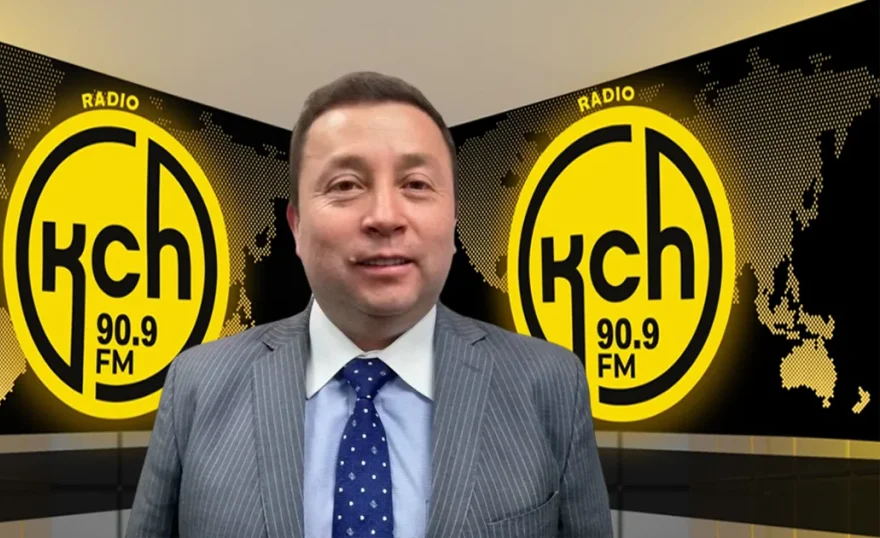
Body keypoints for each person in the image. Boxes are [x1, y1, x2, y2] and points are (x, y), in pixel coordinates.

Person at [126, 71, 613, 538]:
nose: (384, 216)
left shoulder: (549, 385)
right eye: (346, 185)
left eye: (416, 184)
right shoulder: (197, 384)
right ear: (296, 225)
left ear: (453, 218)